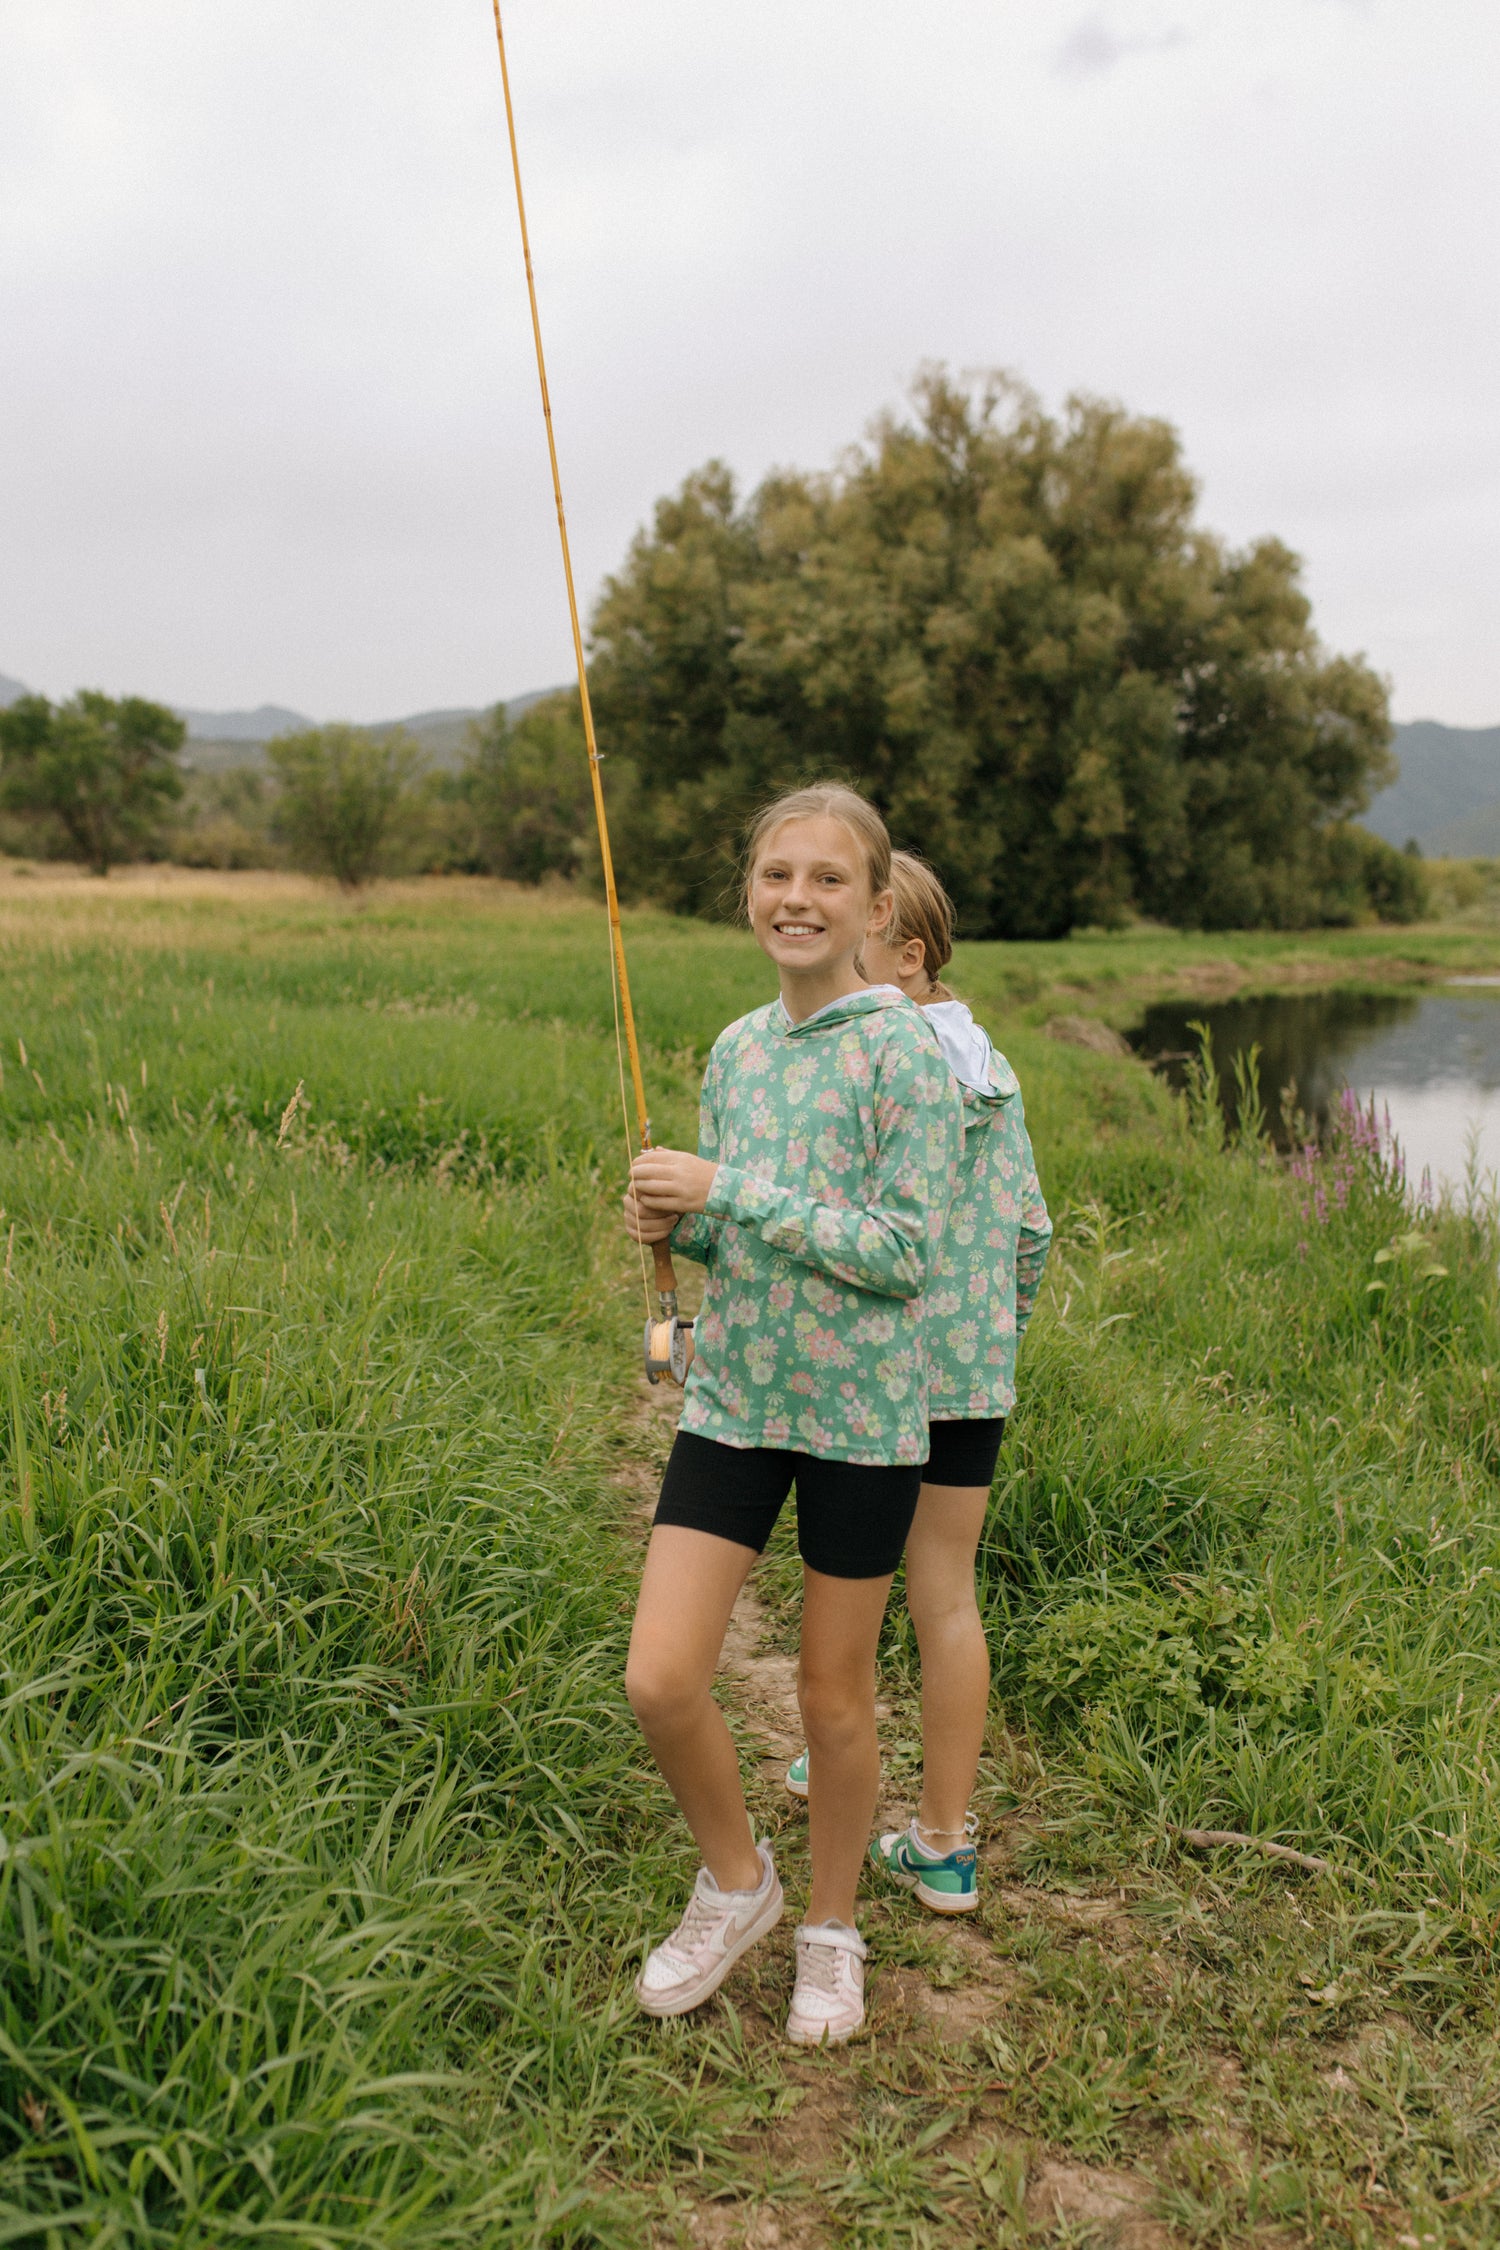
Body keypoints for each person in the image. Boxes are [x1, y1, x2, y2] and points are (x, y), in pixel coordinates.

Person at [623, 787, 963, 2046]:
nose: (797, 899)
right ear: (750, 894)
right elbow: (737, 1237)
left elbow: (903, 1253)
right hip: (736, 1401)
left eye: (828, 879)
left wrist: (731, 1191)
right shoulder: (736, 1050)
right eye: (777, 874)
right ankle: (737, 1884)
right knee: (661, 1677)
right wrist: (676, 1220)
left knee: (833, 1699)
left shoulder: (906, 1054)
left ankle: (831, 1927)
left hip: (862, 1421)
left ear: (875, 908)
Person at [785, 852, 1051, 1913]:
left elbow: (837, 1227)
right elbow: (1033, 1231)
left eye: (853, 953)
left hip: (866, 1371)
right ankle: (943, 1841)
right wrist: (992, 1336)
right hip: (969, 1376)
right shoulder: (995, 1070)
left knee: (842, 1577)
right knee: (945, 1595)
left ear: (907, 954)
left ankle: (834, 1753)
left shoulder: (873, 1065)